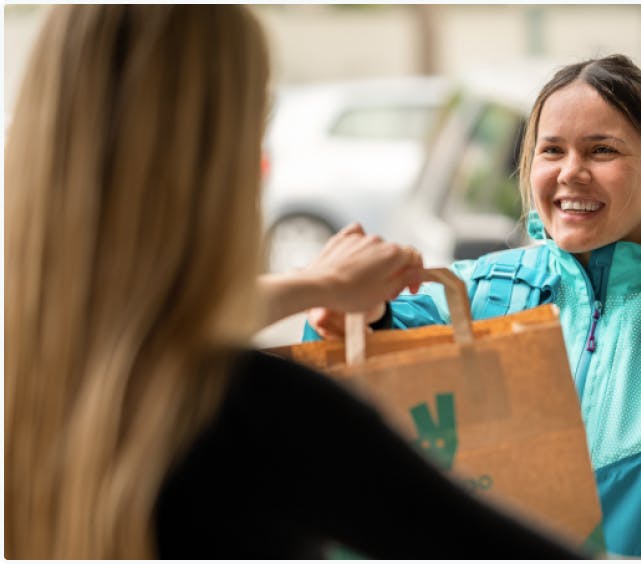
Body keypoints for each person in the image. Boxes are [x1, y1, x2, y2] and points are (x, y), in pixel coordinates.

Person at [3, 5, 584, 559]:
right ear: (212, 167)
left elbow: (131, 334)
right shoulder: (256, 416)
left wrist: (313, 284)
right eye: (257, 128)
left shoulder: (35, 380)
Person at [306, 54, 641, 558]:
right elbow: (358, 367)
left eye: (601, 151)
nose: (570, 172)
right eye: (552, 150)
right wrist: (357, 311)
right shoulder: (480, 300)